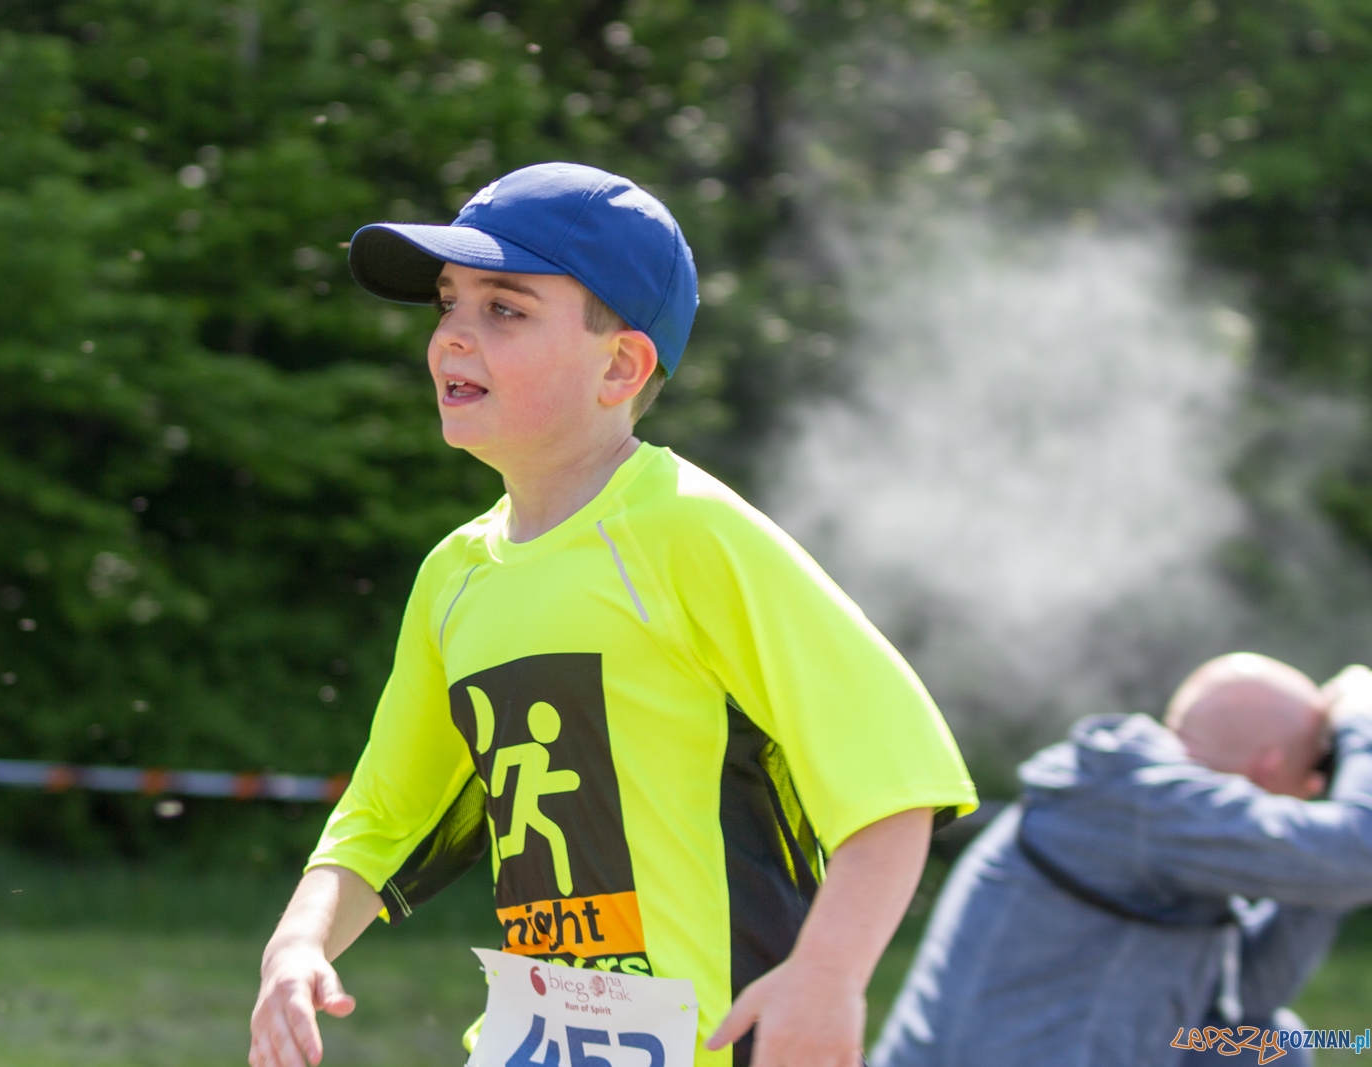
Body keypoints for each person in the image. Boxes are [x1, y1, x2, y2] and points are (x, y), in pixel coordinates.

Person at [247, 162, 978, 1067]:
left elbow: (894, 781)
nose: (452, 339)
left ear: (621, 365)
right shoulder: (455, 574)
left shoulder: (691, 533)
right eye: (447, 304)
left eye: (504, 309)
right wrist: (299, 942)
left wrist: (826, 977)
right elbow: (386, 811)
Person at [871, 653, 1372, 1067]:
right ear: (1271, 766)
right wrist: (1361, 726)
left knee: (1269, 1047)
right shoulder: (1141, 802)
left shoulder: (1165, 819)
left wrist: (1320, 879)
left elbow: (1250, 998)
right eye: (1319, 768)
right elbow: (1360, 852)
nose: (1316, 789)